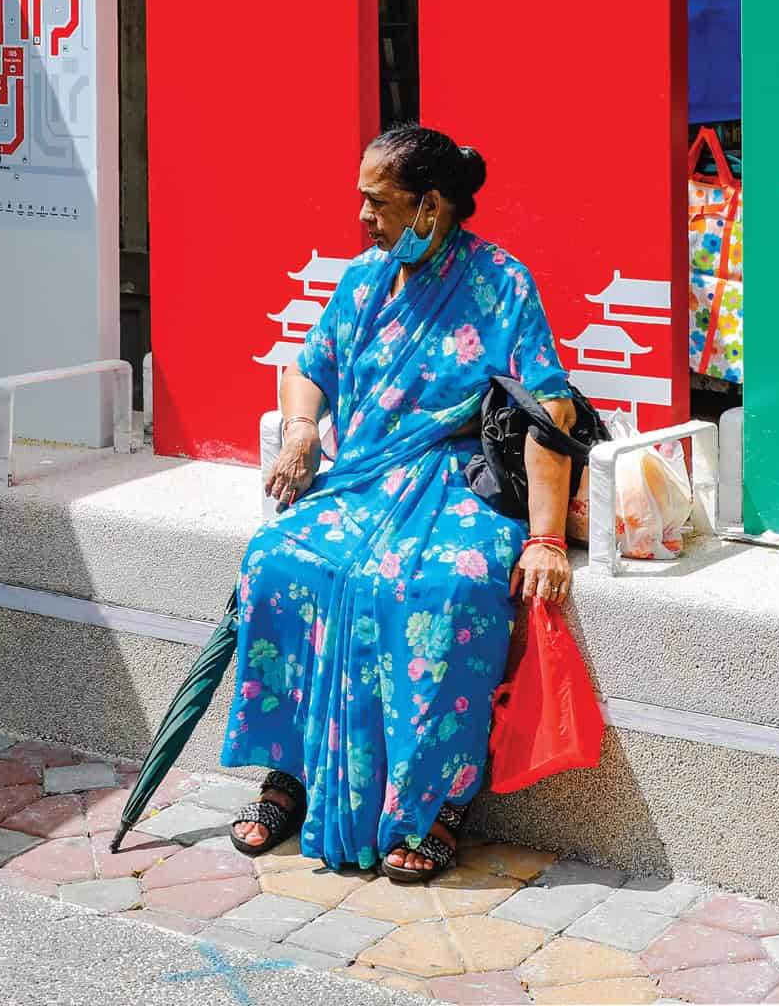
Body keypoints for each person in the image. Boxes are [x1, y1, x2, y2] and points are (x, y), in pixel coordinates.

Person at [224, 124, 577, 881]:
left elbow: (553, 409)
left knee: (439, 586)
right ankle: (290, 775)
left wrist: (545, 540)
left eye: (378, 203)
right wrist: (298, 434)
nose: (363, 217)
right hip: (359, 481)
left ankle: (438, 807)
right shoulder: (362, 280)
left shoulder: (502, 283)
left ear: (431, 206)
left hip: (453, 485)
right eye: (362, 200)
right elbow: (307, 366)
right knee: (278, 561)